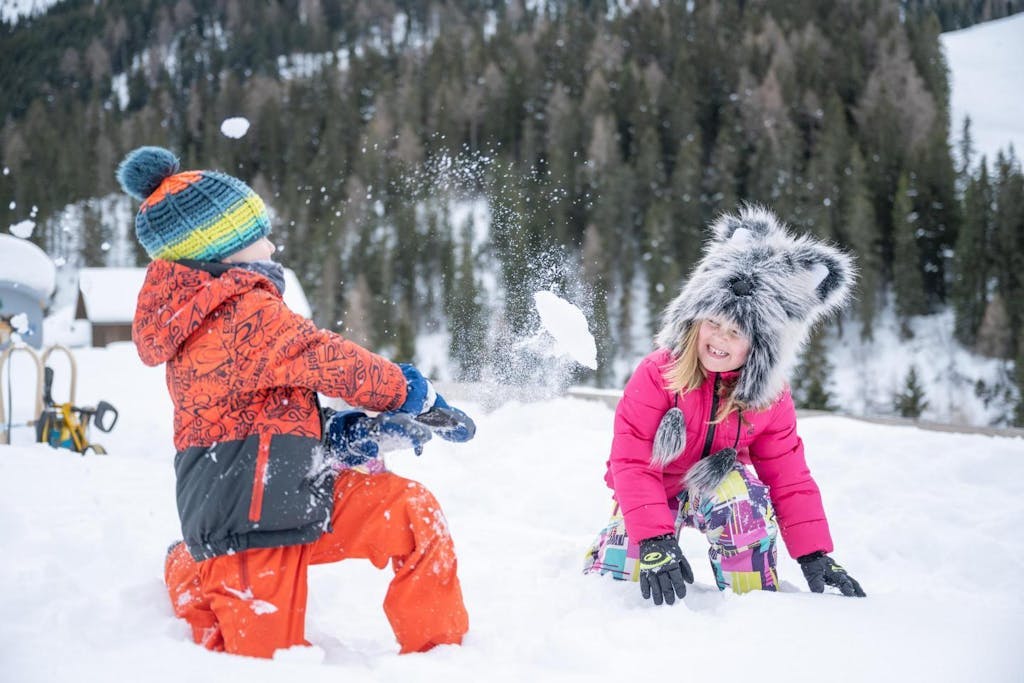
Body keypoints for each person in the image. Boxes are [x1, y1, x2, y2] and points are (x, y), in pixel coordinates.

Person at [118, 146, 472, 657]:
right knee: (257, 662)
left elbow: (263, 407)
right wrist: (412, 393)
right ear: (222, 250)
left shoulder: (235, 310)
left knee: (412, 512)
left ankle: (440, 655)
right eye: (258, 235)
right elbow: (329, 358)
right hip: (246, 526)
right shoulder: (241, 312)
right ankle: (191, 572)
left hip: (297, 489)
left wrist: (338, 434)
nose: (272, 244)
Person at [584, 205, 865, 605]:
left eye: (736, 332)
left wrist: (814, 554)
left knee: (742, 499)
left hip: (718, 490)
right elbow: (630, 462)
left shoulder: (769, 398)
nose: (718, 339)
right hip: (654, 486)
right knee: (621, 578)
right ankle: (622, 562)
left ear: (762, 345)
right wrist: (654, 540)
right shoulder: (657, 373)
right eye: (712, 323)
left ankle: (750, 601)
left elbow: (788, 477)